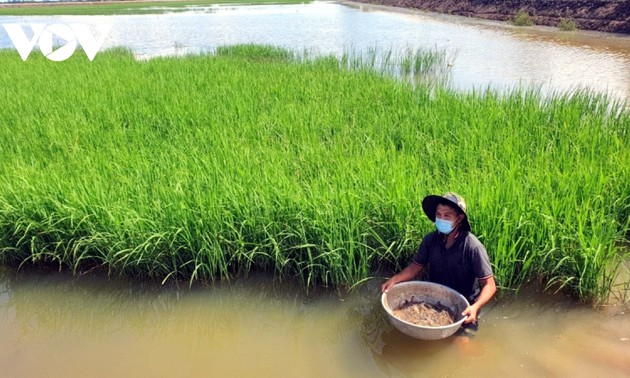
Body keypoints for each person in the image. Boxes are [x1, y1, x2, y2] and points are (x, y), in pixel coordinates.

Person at [381, 192, 496, 327]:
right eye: (438, 215)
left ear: (459, 218)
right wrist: (395, 280)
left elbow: (490, 285)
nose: (441, 219)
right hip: (435, 300)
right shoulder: (431, 240)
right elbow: (415, 267)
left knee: (462, 344)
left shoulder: (472, 247)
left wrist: (475, 307)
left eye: (447, 216)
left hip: (465, 307)